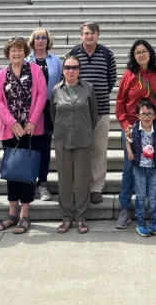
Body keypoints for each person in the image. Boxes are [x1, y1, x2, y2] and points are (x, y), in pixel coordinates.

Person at [115, 39, 156, 230]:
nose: (141, 55)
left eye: (144, 51)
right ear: (133, 55)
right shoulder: (129, 75)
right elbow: (120, 103)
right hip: (133, 128)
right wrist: (125, 126)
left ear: (150, 53)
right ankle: (125, 209)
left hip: (154, 129)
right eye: (137, 52)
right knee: (129, 169)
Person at [0, 37, 47, 234]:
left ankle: (25, 214)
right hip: (10, 130)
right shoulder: (1, 74)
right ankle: (12, 213)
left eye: (20, 50)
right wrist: (13, 123)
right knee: (12, 172)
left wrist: (31, 121)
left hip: (32, 129)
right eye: (13, 51)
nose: (16, 53)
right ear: (8, 54)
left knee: (27, 173)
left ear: (25, 52)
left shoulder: (35, 70)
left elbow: (42, 95)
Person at [67, 21, 117, 204]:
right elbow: (67, 78)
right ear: (81, 35)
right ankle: (79, 187)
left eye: (93, 32)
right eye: (86, 33)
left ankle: (96, 188)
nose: (90, 36)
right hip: (78, 112)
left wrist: (99, 95)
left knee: (99, 151)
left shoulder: (106, 54)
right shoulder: (73, 53)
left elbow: (111, 79)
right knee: (79, 151)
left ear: (98, 34)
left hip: (102, 110)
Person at [50, 55, 98, 234]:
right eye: (67, 67)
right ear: (63, 70)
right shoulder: (56, 90)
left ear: (79, 70)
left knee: (81, 180)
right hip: (62, 140)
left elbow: (93, 115)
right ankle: (67, 216)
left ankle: (81, 217)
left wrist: (84, 129)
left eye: (75, 67)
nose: (71, 71)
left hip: (83, 139)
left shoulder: (88, 88)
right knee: (64, 180)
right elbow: (52, 115)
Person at [25, 27, 62, 201]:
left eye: (43, 37)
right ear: (33, 41)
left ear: (48, 41)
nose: (40, 40)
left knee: (45, 148)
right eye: (37, 37)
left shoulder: (55, 60)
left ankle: (43, 184)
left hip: (48, 109)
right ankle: (30, 183)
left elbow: (62, 82)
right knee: (30, 148)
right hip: (30, 110)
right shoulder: (26, 60)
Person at [126, 99, 156, 237]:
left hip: (154, 168)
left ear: (154, 116)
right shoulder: (134, 128)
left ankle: (154, 221)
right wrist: (130, 152)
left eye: (150, 114)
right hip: (139, 168)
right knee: (141, 196)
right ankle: (141, 223)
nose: (146, 117)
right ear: (138, 115)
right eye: (143, 114)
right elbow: (128, 140)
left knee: (153, 196)